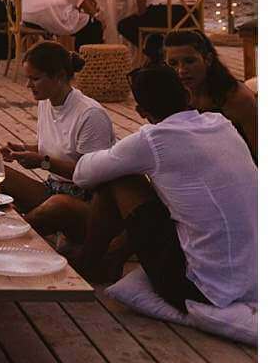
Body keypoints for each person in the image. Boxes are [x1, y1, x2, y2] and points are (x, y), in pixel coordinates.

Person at [71, 65, 257, 312]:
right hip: (253, 275)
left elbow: (82, 174)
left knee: (121, 179)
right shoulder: (221, 123)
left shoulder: (154, 139)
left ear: (140, 111)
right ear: (187, 95)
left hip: (204, 288)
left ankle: (88, 263)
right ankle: (110, 258)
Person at [0, 42, 114, 247]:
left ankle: (10, 238)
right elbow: (57, 147)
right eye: (28, 78)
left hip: (86, 203)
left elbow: (92, 175)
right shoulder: (46, 101)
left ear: (59, 76)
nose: (28, 85)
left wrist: (43, 163)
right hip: (53, 188)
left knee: (56, 205)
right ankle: (32, 230)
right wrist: (22, 150)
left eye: (35, 79)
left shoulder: (90, 114)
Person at [163, 29, 256, 160]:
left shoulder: (236, 98)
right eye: (173, 64)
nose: (181, 70)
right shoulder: (171, 95)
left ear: (208, 59)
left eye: (189, 61)